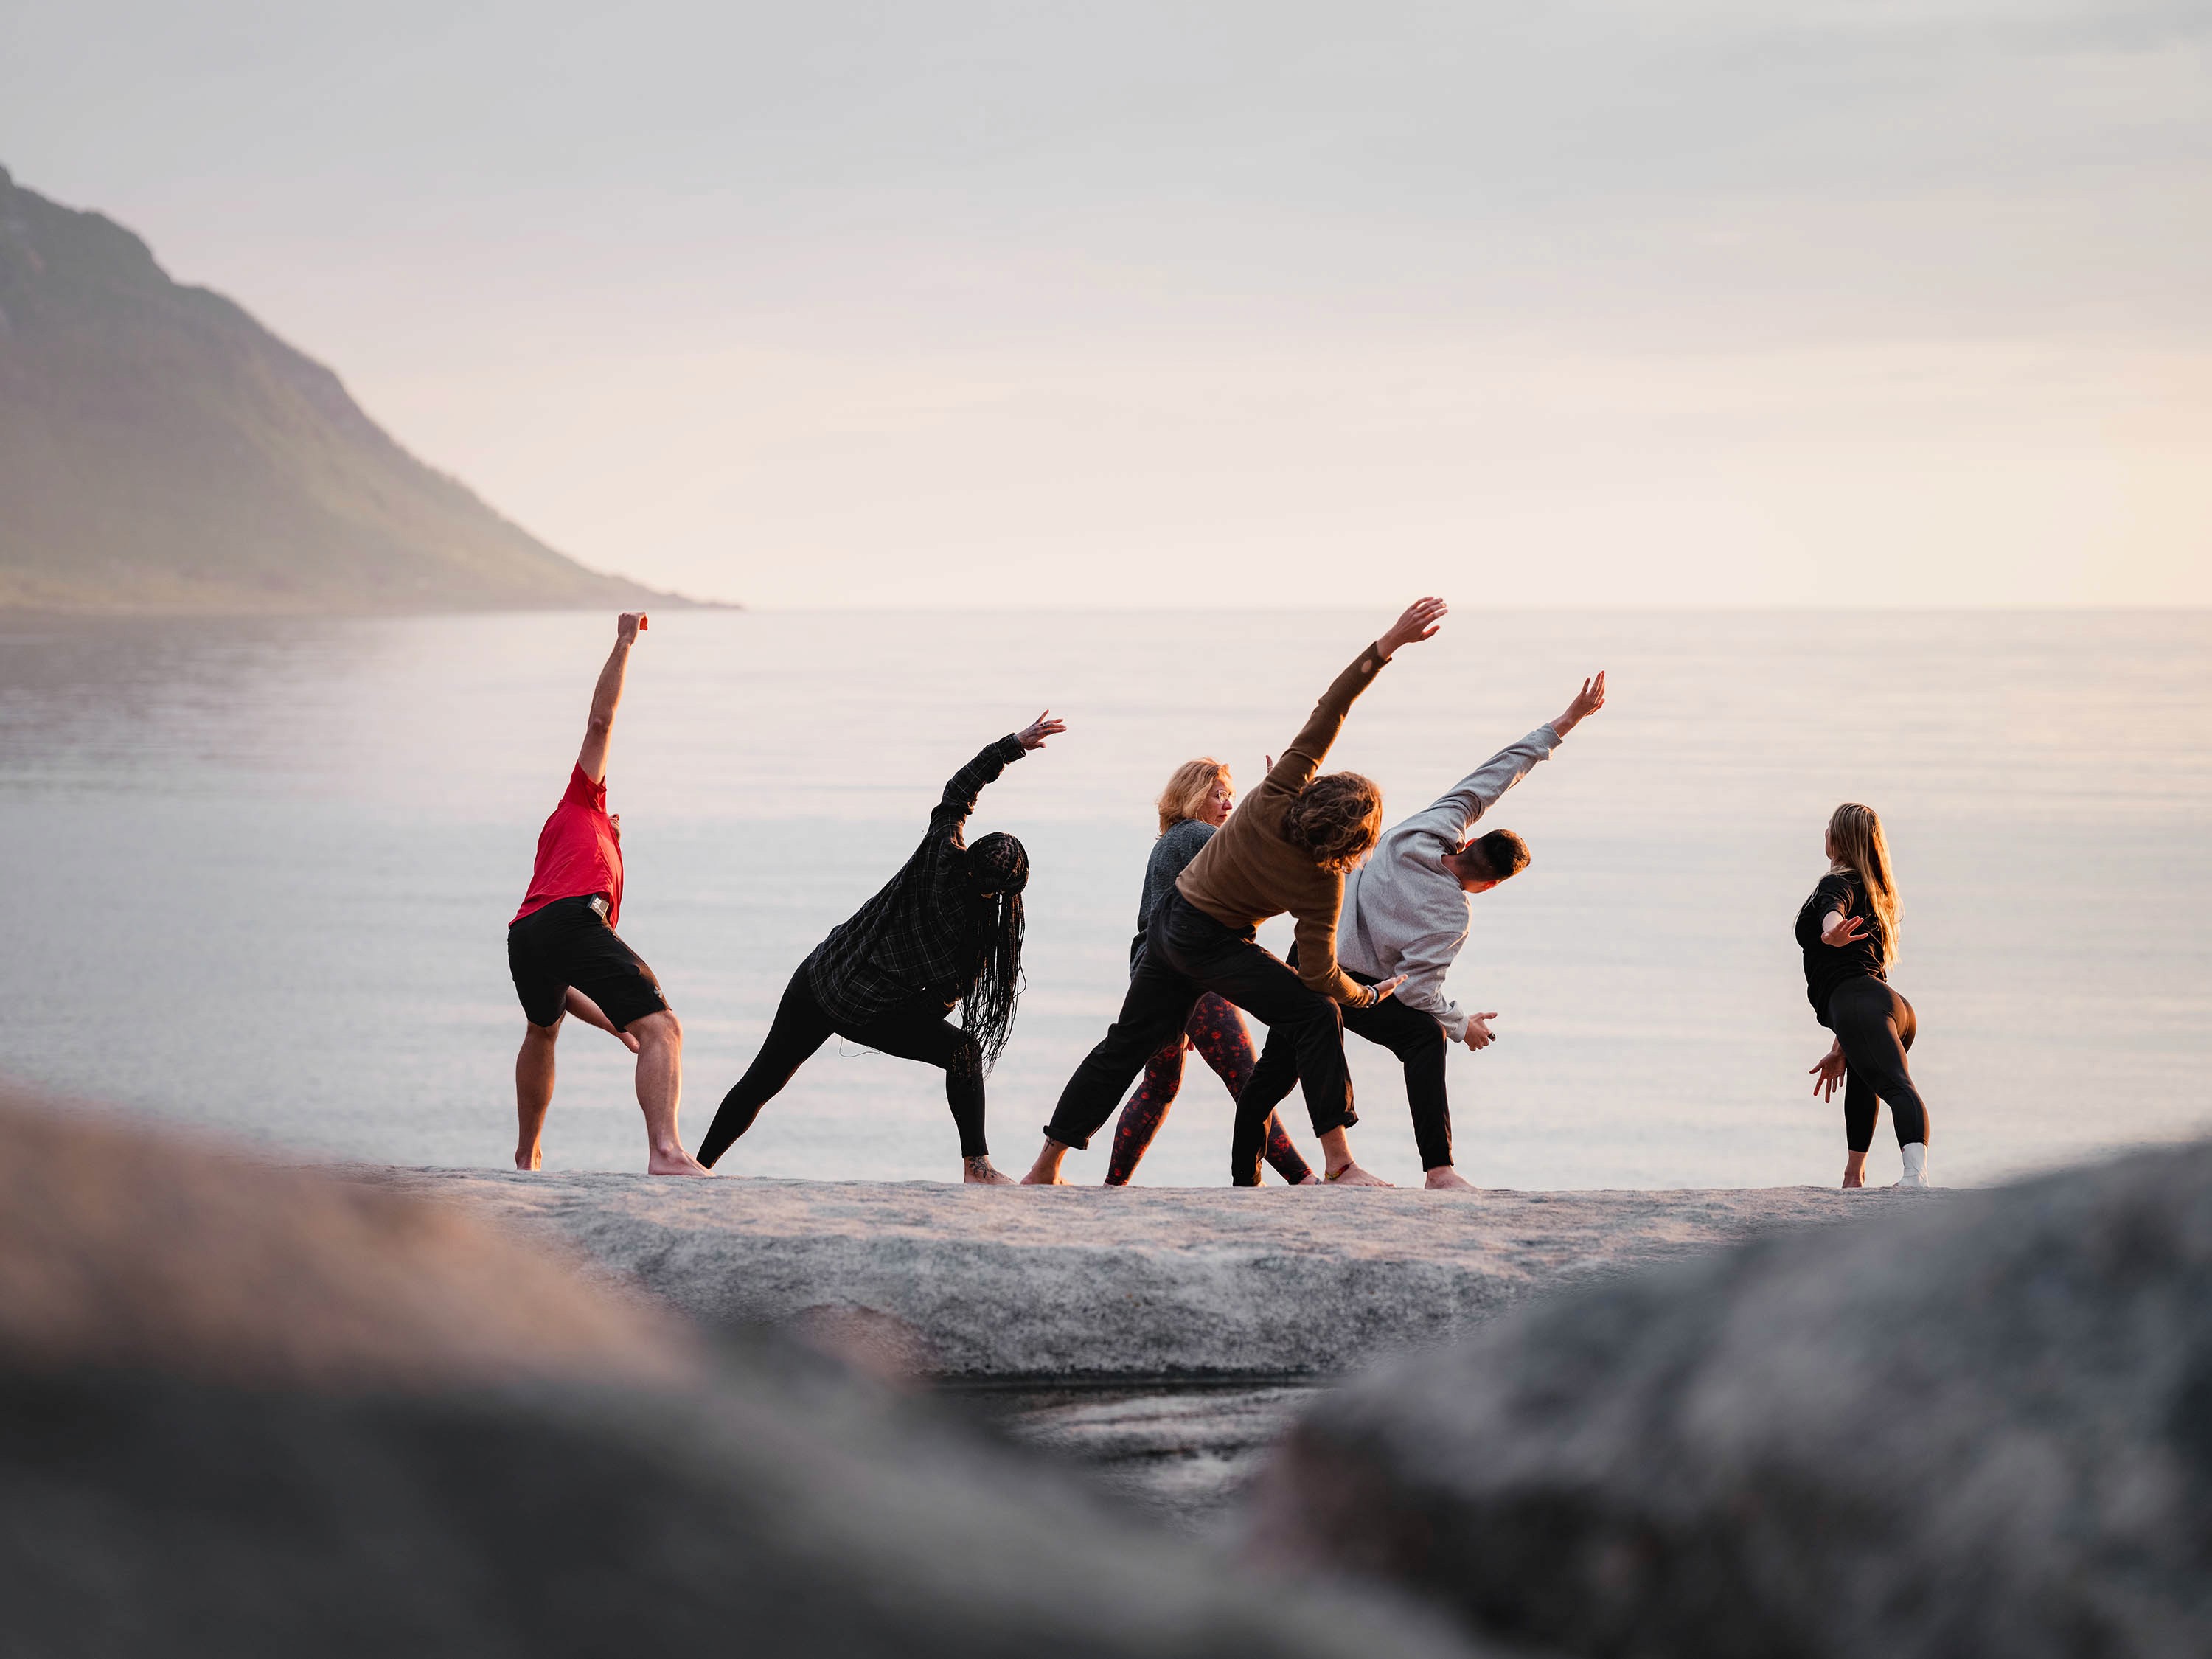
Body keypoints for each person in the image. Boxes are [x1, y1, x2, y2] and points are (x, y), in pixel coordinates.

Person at [1022, 598, 1450, 1188]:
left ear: (1317, 790)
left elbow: (1334, 706)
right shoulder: (1324, 883)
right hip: (1212, 943)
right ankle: (1339, 1163)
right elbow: (1323, 979)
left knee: (1123, 1048)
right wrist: (1370, 999)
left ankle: (1045, 1169)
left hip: (1168, 930)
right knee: (1318, 1014)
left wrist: (1388, 644)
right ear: (1355, 841)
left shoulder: (1274, 791)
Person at [1230, 672, 1608, 1189]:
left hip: (1311, 958)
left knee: (1274, 1073)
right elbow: (1421, 989)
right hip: (1351, 983)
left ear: (1468, 837)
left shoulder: (1426, 828)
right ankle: (1439, 1170)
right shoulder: (1451, 917)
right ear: (1491, 884)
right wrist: (1461, 1024)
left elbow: (1497, 773)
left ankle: (1243, 1183)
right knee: (1426, 1037)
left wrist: (1565, 721)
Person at [696, 713, 1065, 1183]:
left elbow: (958, 792)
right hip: (872, 1011)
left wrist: (1014, 744)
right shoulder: (986, 929)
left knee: (763, 1079)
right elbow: (945, 995)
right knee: (964, 1051)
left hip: (825, 973)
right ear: (1011, 893)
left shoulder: (941, 854)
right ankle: (977, 1166)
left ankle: (695, 1167)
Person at [506, 612, 708, 1176]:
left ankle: (527, 1156)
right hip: (571, 922)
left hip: (526, 935)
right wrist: (624, 644)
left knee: (543, 1028)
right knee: (664, 1027)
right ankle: (666, 1151)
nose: (615, 811)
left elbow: (567, 986)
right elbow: (601, 721)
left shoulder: (561, 858)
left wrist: (618, 1025)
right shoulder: (582, 803)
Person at [1104, 759, 1318, 1186]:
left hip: (1155, 969)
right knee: (1247, 1077)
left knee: (1159, 1086)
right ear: (1191, 795)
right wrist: (1283, 805)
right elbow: (1256, 856)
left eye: (1230, 795)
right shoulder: (1196, 835)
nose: (1227, 803)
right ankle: (1305, 1180)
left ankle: (1114, 1187)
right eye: (1217, 794)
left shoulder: (1174, 840)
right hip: (1190, 974)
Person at [1798, 802, 1930, 1189]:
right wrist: (1842, 1047)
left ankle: (1915, 1178)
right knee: (1864, 1082)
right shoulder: (1875, 893)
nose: (1823, 834)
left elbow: (1832, 912)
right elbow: (1866, 970)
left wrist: (1830, 934)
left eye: (1828, 827)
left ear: (1839, 839)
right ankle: (1854, 1175)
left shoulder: (1836, 882)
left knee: (1895, 1085)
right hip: (1889, 1007)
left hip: (1862, 1003)